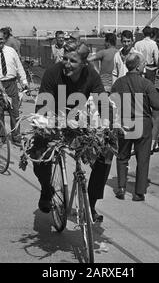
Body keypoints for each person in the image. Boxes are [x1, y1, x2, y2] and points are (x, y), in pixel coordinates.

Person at [34, 40, 109, 222]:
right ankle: (46, 189)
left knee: (106, 153)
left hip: (79, 120)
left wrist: (107, 125)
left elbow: (102, 102)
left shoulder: (91, 74)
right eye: (65, 59)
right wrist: (48, 123)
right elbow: (44, 103)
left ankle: (90, 204)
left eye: (72, 61)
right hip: (54, 117)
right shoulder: (53, 72)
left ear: (84, 63)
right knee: (39, 152)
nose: (67, 64)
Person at [112, 52, 159, 201]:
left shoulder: (118, 83)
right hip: (143, 123)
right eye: (143, 64)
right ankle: (139, 192)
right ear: (138, 66)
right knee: (143, 158)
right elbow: (157, 105)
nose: (144, 66)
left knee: (122, 156)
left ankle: (121, 187)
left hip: (124, 122)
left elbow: (112, 104)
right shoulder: (146, 83)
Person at [0, 30, 28, 144]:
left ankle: (16, 136)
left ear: (4, 39)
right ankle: (1, 136)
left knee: (14, 112)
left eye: (1, 39)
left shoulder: (11, 51)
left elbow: (19, 67)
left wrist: (23, 81)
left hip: (12, 84)